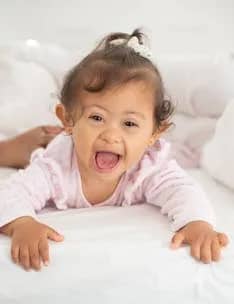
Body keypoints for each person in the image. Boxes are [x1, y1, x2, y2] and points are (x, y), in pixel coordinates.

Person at [0, 29, 228, 271]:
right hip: (51, 143)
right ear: (67, 119)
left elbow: (183, 191)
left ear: (154, 134)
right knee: (36, 143)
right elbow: (12, 192)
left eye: (129, 123)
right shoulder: (54, 167)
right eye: (97, 118)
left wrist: (196, 223)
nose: (111, 135)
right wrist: (22, 223)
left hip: (81, 137)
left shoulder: (148, 168)